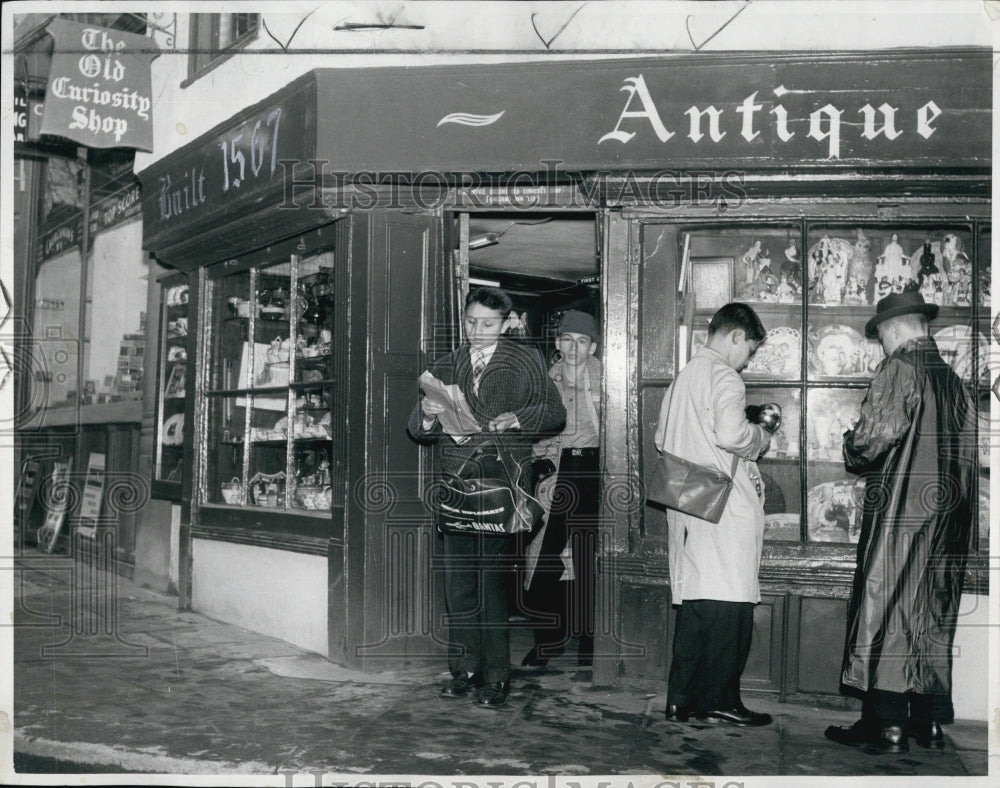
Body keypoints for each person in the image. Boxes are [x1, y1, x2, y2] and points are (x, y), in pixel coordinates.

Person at [824, 291, 976, 754]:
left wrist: (849, 441)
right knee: (930, 616)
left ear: (891, 330)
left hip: (904, 515)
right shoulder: (954, 380)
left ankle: (885, 725)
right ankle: (927, 723)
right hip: (948, 523)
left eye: (881, 337)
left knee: (888, 610)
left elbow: (871, 441)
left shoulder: (900, 368)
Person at [408, 286, 565, 708]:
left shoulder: (527, 361)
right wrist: (424, 415)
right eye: (471, 321)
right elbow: (418, 429)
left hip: (502, 484)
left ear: (506, 323)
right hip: (457, 485)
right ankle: (465, 671)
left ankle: (497, 677)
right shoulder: (444, 365)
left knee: (492, 583)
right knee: (459, 586)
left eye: (488, 324)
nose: (477, 331)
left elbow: (555, 413)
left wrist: (521, 417)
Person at [653, 303, 778, 727]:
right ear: (736, 336)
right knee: (731, 606)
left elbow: (660, 437)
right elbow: (730, 434)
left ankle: (681, 699)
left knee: (697, 604)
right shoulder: (726, 376)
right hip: (723, 505)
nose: (749, 360)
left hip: (687, 496)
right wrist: (759, 436)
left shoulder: (684, 376)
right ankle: (720, 700)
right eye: (751, 350)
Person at [522, 310, 602, 668]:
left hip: (594, 469)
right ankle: (548, 640)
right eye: (567, 340)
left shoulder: (606, 377)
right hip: (554, 470)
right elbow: (529, 428)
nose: (574, 348)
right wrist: (539, 460)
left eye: (582, 341)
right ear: (558, 343)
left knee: (588, 558)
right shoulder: (543, 380)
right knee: (542, 557)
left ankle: (589, 641)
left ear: (593, 347)